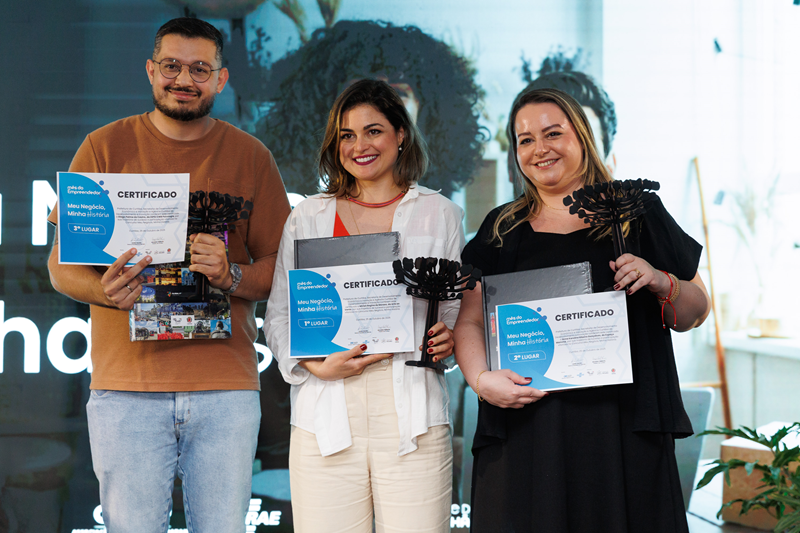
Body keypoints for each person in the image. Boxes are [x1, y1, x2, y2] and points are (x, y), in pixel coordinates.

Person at [47, 17, 291, 533]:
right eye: (172, 66)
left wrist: (231, 275)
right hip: (126, 388)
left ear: (221, 79)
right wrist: (104, 292)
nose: (184, 79)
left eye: (200, 69)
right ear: (150, 71)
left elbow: (279, 271)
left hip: (225, 390)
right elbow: (60, 267)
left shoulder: (252, 158)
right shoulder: (103, 149)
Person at [453, 87, 711, 532]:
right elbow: (470, 321)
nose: (539, 149)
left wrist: (658, 279)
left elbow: (695, 310)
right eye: (525, 139)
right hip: (527, 427)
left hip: (621, 429)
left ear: (582, 135)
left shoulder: (637, 211)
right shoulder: (502, 226)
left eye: (553, 133)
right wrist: (480, 380)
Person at [264, 79, 464, 532]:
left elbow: (450, 314)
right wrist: (314, 367)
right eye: (346, 136)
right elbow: (279, 315)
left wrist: (446, 339)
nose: (359, 146)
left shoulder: (441, 213)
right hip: (325, 417)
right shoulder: (308, 216)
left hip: (413, 418)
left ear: (401, 135)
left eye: (373, 131)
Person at [258, 20, 485, 199]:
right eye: (358, 92)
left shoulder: (440, 210)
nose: (377, 105)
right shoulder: (302, 208)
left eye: (398, 92)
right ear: (325, 106)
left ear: (424, 110)